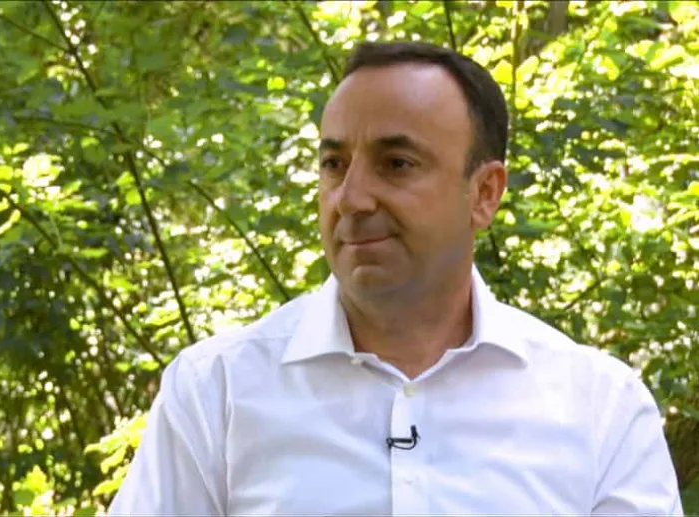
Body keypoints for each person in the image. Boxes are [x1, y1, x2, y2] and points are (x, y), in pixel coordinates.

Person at [108, 41, 683, 515]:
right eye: (334, 164)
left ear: (484, 193)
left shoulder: (599, 408)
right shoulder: (216, 393)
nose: (351, 197)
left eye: (397, 164)